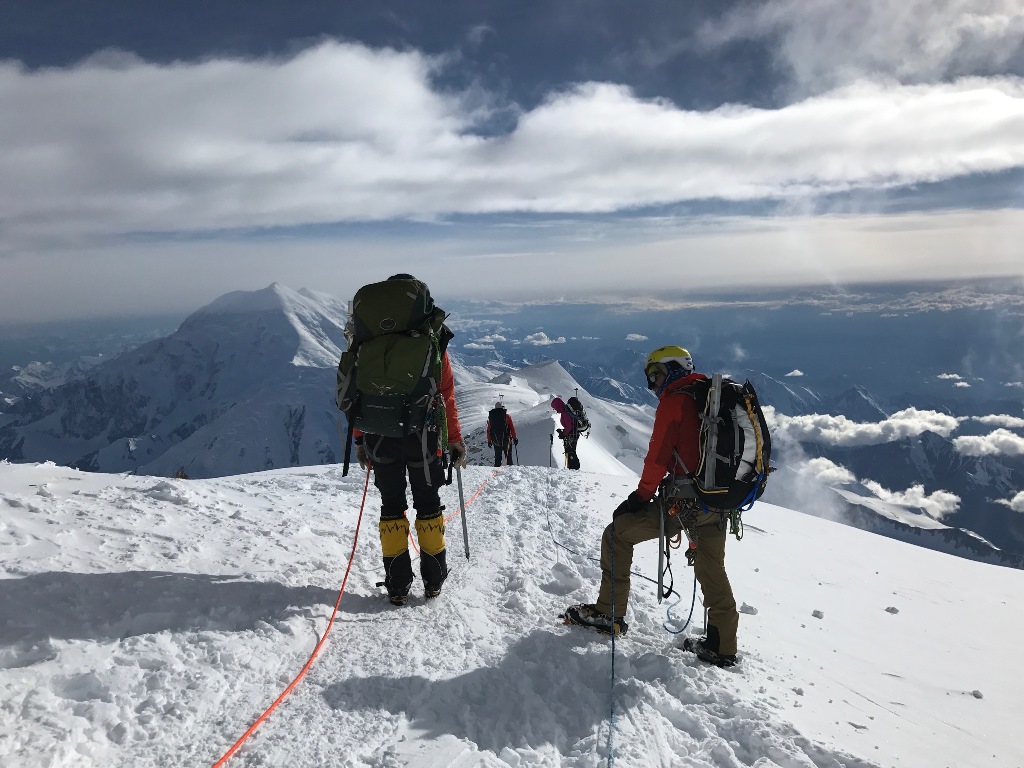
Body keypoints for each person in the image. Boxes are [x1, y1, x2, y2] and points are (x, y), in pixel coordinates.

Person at [563, 346, 740, 667]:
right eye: (649, 377)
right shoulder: (705, 397)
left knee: (617, 535)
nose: (653, 384)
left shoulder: (675, 402)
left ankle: (608, 613)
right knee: (712, 568)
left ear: (673, 369)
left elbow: (658, 459)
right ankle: (722, 644)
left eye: (655, 375)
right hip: (717, 499)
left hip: (682, 502)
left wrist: (639, 498)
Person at [352, 274, 468, 606]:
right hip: (424, 438)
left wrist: (360, 440)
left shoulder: (366, 345)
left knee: (391, 507)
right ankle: (434, 581)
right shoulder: (432, 344)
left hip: (380, 437)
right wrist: (455, 440)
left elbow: (357, 394)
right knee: (428, 505)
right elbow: (446, 395)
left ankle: (397, 585)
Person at [551, 396, 581, 469]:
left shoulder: (565, 412)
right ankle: (573, 467)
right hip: (574, 433)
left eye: (555, 407)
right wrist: (563, 432)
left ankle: (573, 468)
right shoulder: (567, 410)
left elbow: (569, 427)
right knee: (571, 450)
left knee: (570, 451)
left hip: (571, 434)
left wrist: (563, 434)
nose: (555, 409)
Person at [486, 402, 518, 466]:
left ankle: (497, 472)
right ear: (502, 408)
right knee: (508, 457)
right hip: (506, 439)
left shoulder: (492, 417)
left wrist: (489, 441)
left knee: (498, 457)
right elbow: (512, 428)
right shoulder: (507, 416)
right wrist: (514, 438)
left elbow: (489, 430)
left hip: (496, 440)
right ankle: (510, 472)